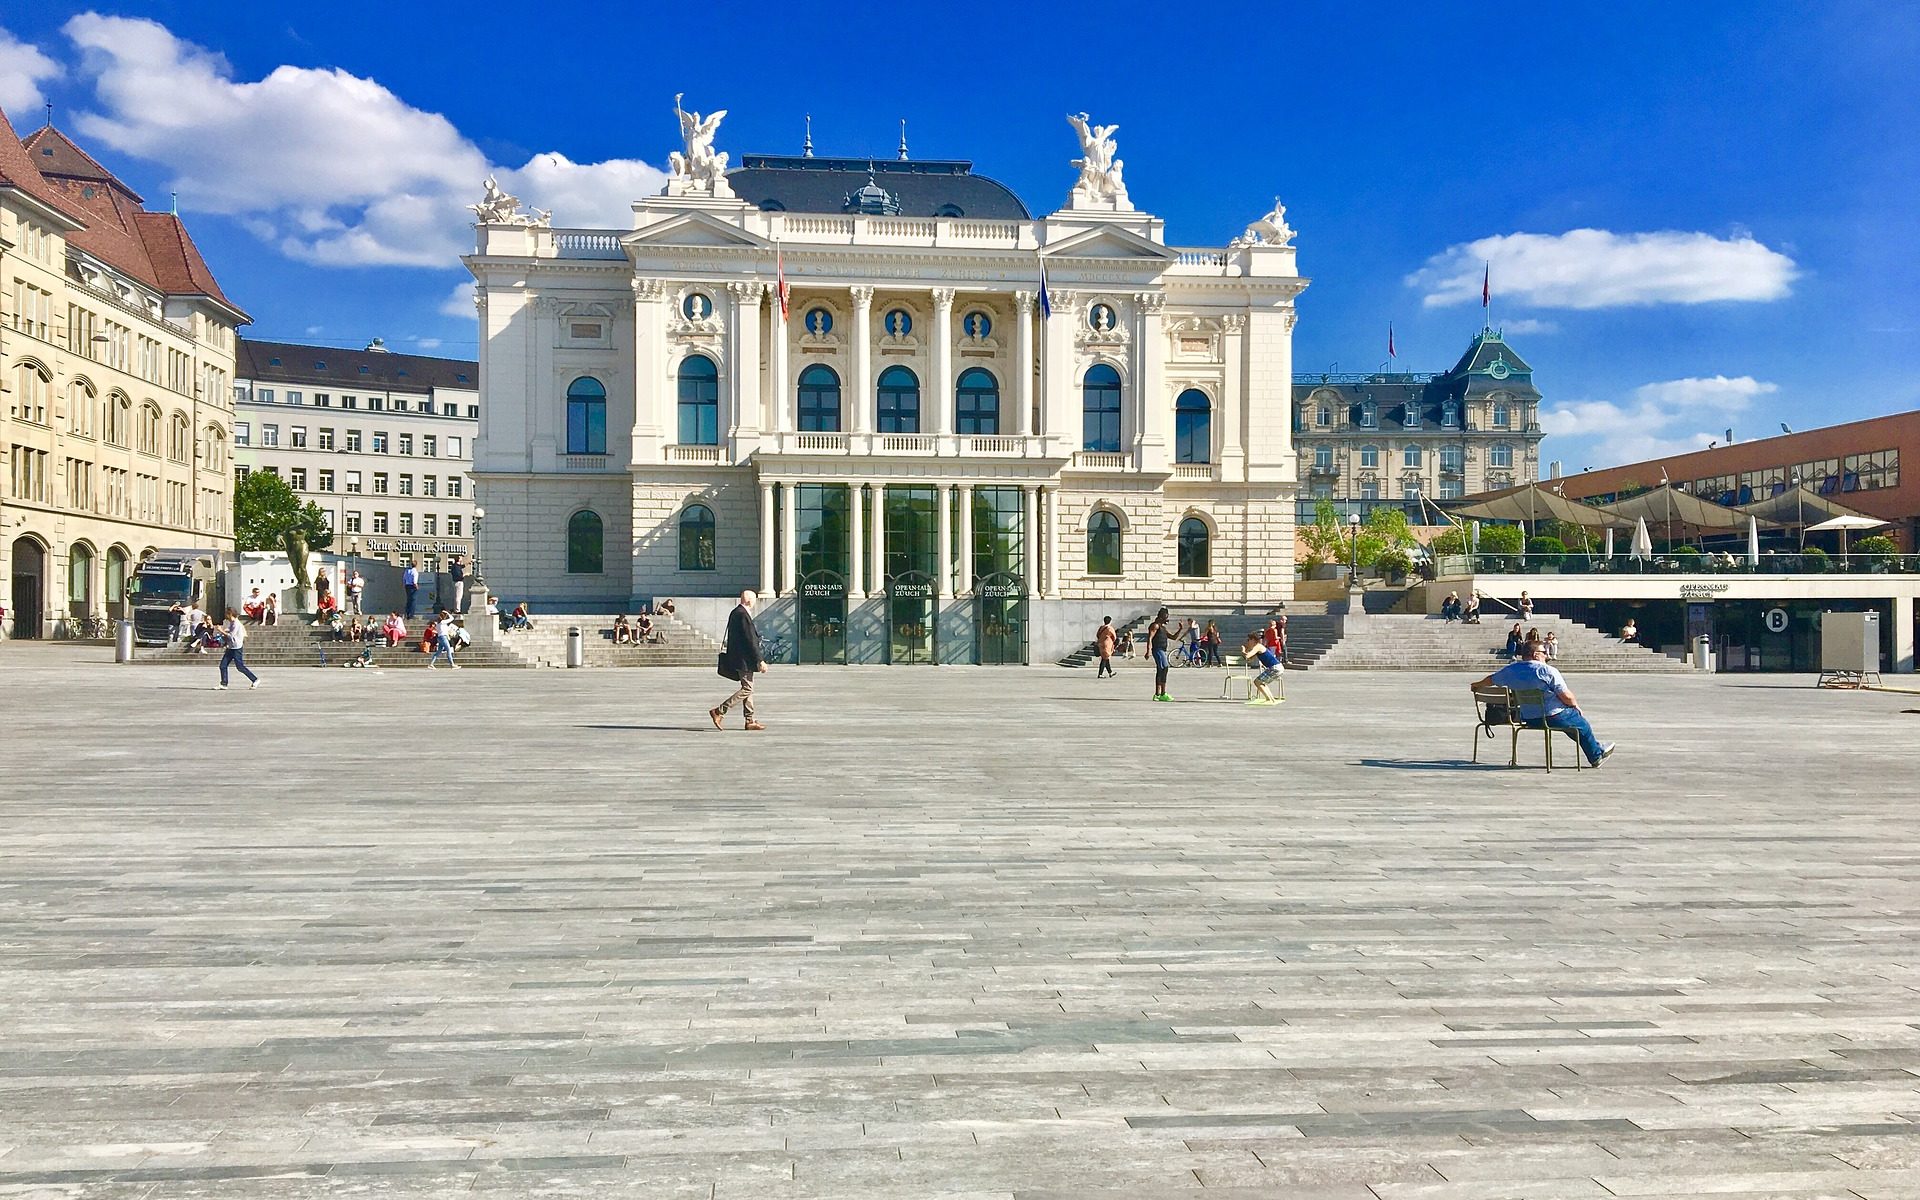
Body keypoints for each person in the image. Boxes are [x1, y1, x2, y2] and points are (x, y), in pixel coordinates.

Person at [1474, 640, 1615, 767]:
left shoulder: (1511, 670)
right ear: (1536, 654)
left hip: (1529, 718)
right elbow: (1565, 695)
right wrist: (1575, 705)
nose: (1546, 655)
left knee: (1572, 724)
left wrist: (1476, 685)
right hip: (1552, 716)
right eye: (1544, 652)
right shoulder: (1547, 671)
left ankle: (1596, 749)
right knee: (1582, 725)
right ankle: (1596, 755)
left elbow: (1491, 680)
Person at [709, 589, 768, 731]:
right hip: (744, 659)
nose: (754, 602)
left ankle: (750, 720)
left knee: (749, 689)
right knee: (747, 688)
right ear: (749, 600)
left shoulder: (736, 612)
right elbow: (750, 640)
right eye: (754, 599)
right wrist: (760, 660)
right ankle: (719, 711)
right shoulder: (742, 614)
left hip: (740, 658)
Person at [213, 608, 260, 690]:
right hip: (231, 647)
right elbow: (229, 632)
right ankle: (224, 683)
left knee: (240, 667)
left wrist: (221, 631)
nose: (226, 616)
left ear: (230, 614)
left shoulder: (236, 623)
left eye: (227, 614)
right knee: (223, 665)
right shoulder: (232, 623)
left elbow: (231, 636)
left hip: (236, 648)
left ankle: (255, 679)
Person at [1240, 632, 1284, 706]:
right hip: (1277, 667)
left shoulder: (1258, 646)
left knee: (1257, 682)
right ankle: (1271, 699)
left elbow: (1247, 656)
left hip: (1275, 667)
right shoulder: (1257, 649)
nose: (1247, 642)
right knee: (1261, 682)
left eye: (1248, 640)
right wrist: (1246, 651)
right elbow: (1249, 660)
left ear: (1253, 640)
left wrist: (1243, 650)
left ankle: (1269, 699)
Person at [1146, 607, 1176, 702]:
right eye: (1166, 616)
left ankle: (1159, 694)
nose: (1167, 618)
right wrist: (1148, 651)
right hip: (1158, 650)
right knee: (1163, 668)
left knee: (1162, 670)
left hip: (1162, 650)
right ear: (1162, 616)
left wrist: (1180, 629)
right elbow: (1150, 638)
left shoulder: (1162, 627)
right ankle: (1161, 694)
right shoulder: (1155, 626)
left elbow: (1173, 637)